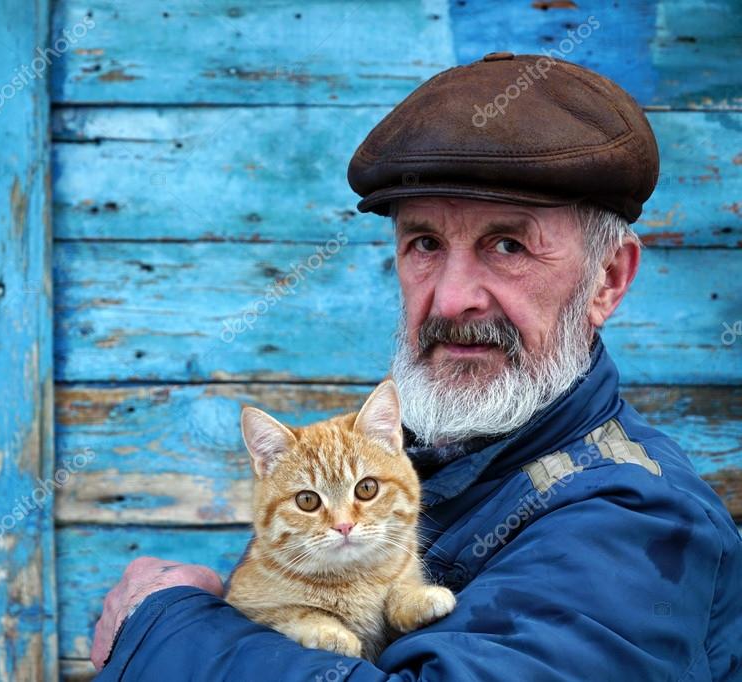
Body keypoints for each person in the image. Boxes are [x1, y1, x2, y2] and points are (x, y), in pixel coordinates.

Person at [90, 53, 742, 680]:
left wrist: (164, 632)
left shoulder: (636, 525)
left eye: (507, 244)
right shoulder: (389, 459)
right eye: (424, 243)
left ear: (607, 279)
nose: (452, 297)